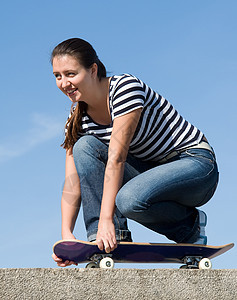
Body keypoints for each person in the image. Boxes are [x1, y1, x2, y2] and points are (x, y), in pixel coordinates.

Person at [51, 38, 219, 267]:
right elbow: (72, 182)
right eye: (57, 76)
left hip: (195, 165)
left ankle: (189, 227)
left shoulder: (125, 89)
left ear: (92, 69)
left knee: (128, 200)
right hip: (151, 172)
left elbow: (117, 158)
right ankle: (108, 239)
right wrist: (67, 236)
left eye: (70, 73)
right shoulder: (77, 119)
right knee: (84, 146)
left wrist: (106, 219)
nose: (64, 83)